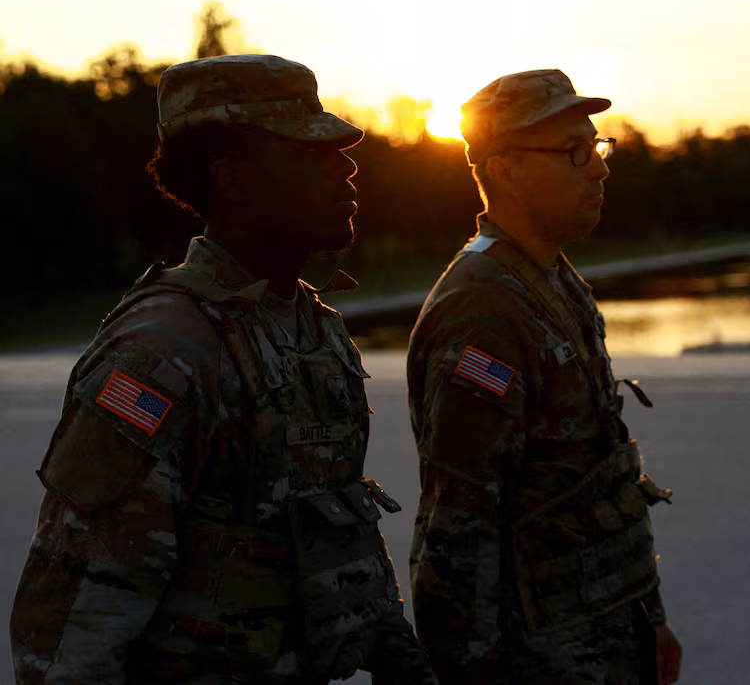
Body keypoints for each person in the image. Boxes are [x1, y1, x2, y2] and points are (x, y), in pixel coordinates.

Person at [9, 54, 437, 685]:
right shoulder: (161, 354)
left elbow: (330, 530)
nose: (346, 168)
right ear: (232, 181)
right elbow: (74, 628)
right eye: (310, 152)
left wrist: (394, 648)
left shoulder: (312, 329)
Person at [406, 69, 683, 684]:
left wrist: (649, 620)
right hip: (538, 661)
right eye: (574, 153)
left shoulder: (553, 281)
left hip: (605, 643)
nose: (599, 168)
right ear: (503, 169)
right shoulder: (484, 310)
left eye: (599, 146)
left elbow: (600, 475)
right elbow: (457, 528)